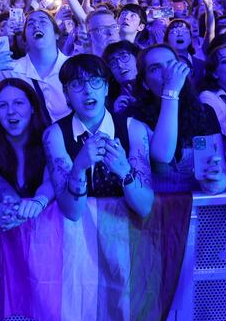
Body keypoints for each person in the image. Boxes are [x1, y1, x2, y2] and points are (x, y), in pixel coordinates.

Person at [43, 54, 153, 220]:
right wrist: (79, 167)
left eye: (95, 81)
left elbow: (145, 207)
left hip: (130, 235)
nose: (88, 91)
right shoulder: (54, 135)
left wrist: (125, 171)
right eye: (77, 84)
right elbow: (72, 213)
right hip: (79, 238)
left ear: (106, 88)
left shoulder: (134, 129)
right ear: (66, 94)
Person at [129, 44, 226, 193]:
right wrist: (171, 92)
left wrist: (215, 180)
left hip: (196, 205)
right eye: (155, 68)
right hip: (153, 209)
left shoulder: (204, 112)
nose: (168, 73)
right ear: (145, 83)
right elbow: (162, 156)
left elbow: (221, 176)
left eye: (171, 65)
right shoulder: (133, 116)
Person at [0, 78, 55, 228]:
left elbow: (54, 177)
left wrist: (40, 200)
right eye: (2, 105)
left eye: (18, 103)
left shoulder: (49, 135)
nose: (11, 111)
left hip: (44, 229)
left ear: (33, 107)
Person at [0, 10, 70, 123]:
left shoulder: (73, 68)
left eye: (43, 21)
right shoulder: (10, 72)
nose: (36, 25)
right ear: (25, 40)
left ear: (56, 34)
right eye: (30, 24)